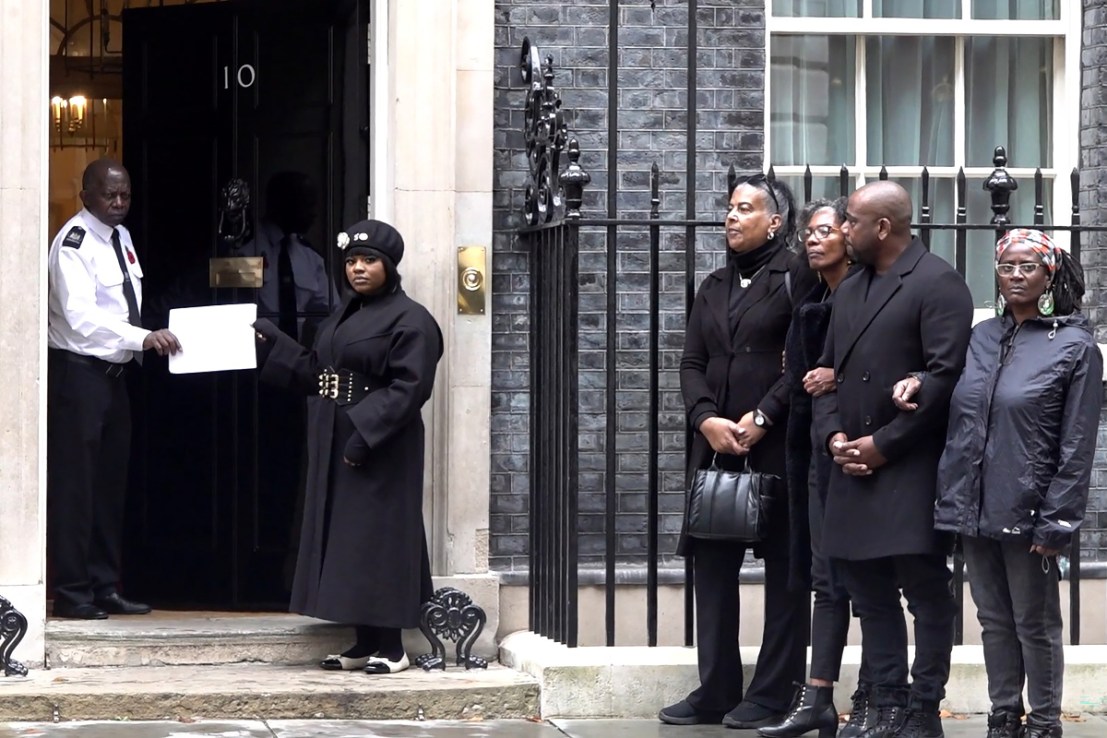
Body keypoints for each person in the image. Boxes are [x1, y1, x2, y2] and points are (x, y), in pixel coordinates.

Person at [907, 229, 1100, 738]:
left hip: (1031, 508)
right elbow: (955, 392)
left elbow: (1077, 446)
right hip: (973, 503)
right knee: (992, 617)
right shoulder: (982, 337)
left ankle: (1043, 721)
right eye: (1007, 267)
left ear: (1048, 275)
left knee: (1034, 623)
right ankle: (1003, 713)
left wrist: (1057, 519)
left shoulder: (1076, 346)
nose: (1016, 276)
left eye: (1027, 267)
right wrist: (919, 381)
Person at [813, 181, 973, 738]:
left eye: (851, 221)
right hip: (850, 465)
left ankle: (923, 708)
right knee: (869, 593)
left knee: (926, 593)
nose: (842, 229)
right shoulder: (850, 287)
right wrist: (835, 439)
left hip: (908, 468)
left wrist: (882, 446)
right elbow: (827, 376)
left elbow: (947, 380)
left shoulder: (938, 283)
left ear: (882, 227)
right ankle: (883, 705)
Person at [659, 174, 818, 728]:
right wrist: (705, 419)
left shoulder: (799, 277)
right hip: (717, 445)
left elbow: (806, 359)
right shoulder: (713, 284)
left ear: (774, 221)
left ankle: (774, 692)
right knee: (713, 564)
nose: (730, 217)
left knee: (784, 569)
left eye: (744, 208)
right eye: (728, 208)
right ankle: (718, 688)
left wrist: (762, 416)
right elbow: (691, 362)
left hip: (776, 444)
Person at [253, 219, 441, 674]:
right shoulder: (343, 315)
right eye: (353, 261)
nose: (358, 269)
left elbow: (409, 388)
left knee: (380, 538)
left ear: (389, 265)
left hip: (380, 445)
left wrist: (364, 436)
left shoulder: (411, 319)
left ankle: (393, 648)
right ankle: (363, 642)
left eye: (369, 261)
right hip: (334, 437)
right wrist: (273, 342)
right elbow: (319, 371)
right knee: (348, 539)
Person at [47, 158, 181, 619]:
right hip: (79, 376)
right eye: (109, 195)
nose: (119, 203)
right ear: (86, 195)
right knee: (75, 488)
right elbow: (81, 318)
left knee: (108, 486)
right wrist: (141, 338)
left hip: (115, 377)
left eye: (125, 195)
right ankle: (71, 593)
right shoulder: (74, 242)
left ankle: (104, 585)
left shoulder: (120, 237)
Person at [759, 198, 872, 738]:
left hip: (863, 452)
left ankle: (878, 691)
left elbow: (883, 368)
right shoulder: (810, 299)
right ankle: (818, 696)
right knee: (825, 578)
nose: (813, 239)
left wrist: (836, 377)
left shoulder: (866, 294)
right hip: (815, 451)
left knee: (870, 578)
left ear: (850, 236)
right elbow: (800, 379)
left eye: (825, 230)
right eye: (809, 231)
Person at [239, 171, 331, 343]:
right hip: (249, 359)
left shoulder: (310, 257)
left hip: (294, 361)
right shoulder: (245, 250)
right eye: (307, 204)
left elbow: (329, 315)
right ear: (282, 203)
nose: (314, 213)